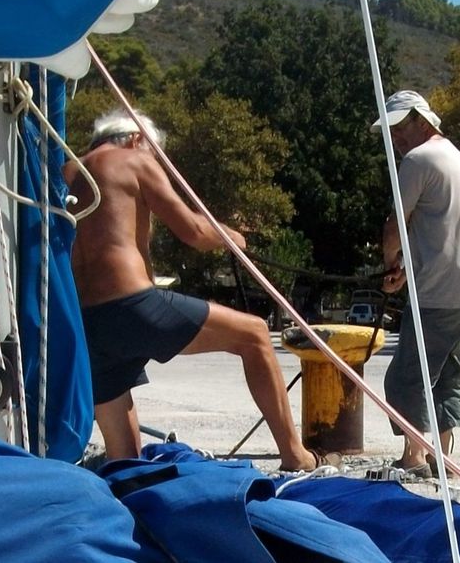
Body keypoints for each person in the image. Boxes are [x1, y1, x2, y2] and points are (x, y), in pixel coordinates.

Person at [64, 108, 318, 469]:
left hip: (86, 321)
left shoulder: (67, 172)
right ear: (138, 139)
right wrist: (232, 238)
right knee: (256, 334)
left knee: (125, 456)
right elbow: (195, 233)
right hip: (134, 306)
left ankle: (130, 499)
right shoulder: (133, 158)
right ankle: (296, 456)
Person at [372, 90, 460, 474]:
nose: (397, 140)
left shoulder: (419, 160)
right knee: (444, 372)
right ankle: (442, 456)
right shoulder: (455, 157)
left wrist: (391, 265)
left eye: (401, 129)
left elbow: (395, 223)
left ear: (421, 119)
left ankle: (414, 457)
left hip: (435, 290)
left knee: (406, 375)